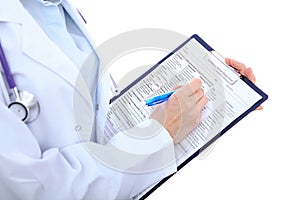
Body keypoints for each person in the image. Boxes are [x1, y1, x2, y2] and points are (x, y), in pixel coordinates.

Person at [0, 0, 260, 199]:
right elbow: (32, 190)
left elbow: (99, 118)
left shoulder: (54, 9)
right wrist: (157, 134)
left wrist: (219, 97)